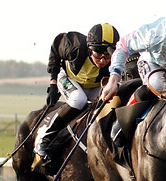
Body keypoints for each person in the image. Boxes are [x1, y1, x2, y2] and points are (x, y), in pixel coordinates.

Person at [34, 23, 119, 164]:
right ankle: (44, 139)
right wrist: (53, 83)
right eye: (98, 56)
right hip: (68, 78)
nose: (103, 61)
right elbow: (55, 48)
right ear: (90, 50)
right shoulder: (75, 46)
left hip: (93, 85)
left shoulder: (116, 55)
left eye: (107, 56)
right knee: (78, 99)